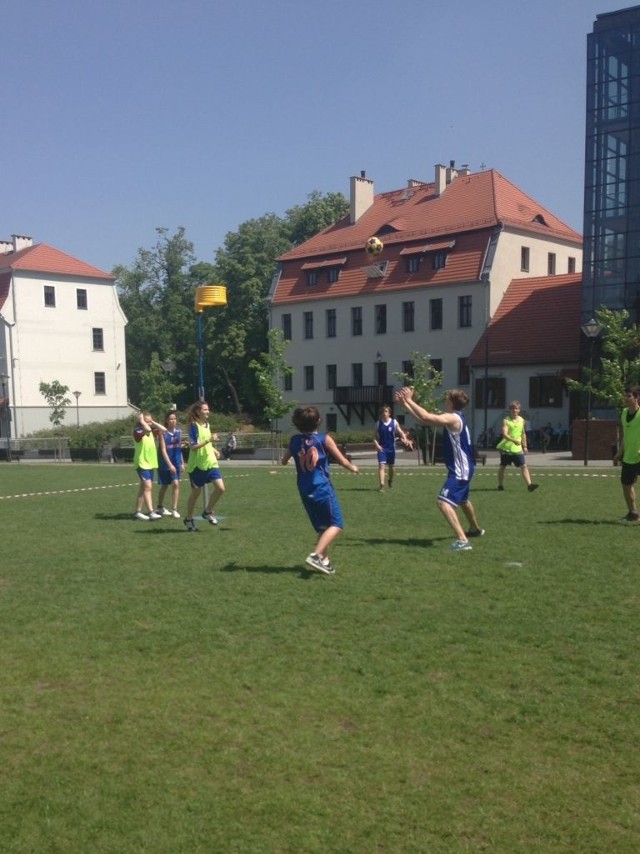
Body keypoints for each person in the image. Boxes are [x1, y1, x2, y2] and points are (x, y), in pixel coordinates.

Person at [395, 386, 483, 551]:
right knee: (463, 500)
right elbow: (425, 420)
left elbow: (425, 416)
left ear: (451, 401)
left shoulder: (453, 418)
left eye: (447, 397)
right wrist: (405, 404)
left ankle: (463, 541)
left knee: (443, 503)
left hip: (460, 469)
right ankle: (474, 529)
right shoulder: (456, 417)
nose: (445, 400)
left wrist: (409, 400)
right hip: (465, 467)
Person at [281, 405, 359, 574]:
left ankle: (325, 560)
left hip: (304, 489)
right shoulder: (324, 439)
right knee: (337, 524)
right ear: (318, 421)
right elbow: (342, 461)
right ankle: (316, 555)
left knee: (323, 527)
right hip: (321, 488)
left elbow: (283, 461)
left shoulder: (294, 440)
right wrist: (352, 468)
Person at [183, 400, 225, 532]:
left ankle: (207, 511)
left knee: (221, 488)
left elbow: (207, 443)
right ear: (198, 411)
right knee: (196, 493)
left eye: (208, 409)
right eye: (205, 410)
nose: (208, 412)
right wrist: (209, 440)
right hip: (197, 465)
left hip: (210, 462)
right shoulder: (194, 427)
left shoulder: (207, 424)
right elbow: (194, 447)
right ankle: (189, 519)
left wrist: (213, 449)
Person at [496, 401, 539, 492]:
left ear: (519, 410)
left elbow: (523, 434)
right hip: (507, 448)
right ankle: (500, 485)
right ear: (510, 410)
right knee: (503, 467)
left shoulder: (522, 420)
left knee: (524, 466)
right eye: (513, 409)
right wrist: (513, 440)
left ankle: (529, 485)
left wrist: (525, 446)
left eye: (516, 409)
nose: (514, 410)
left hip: (517, 449)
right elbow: (504, 434)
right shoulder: (506, 420)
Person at [613, 386, 640, 522]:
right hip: (629, 457)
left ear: (636, 398)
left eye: (629, 396)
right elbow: (626, 436)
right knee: (626, 485)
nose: (626, 399)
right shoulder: (624, 413)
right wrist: (619, 453)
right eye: (625, 396)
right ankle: (633, 513)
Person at [132, 410, 165, 520]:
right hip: (142, 463)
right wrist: (142, 420)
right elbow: (146, 429)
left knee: (143, 488)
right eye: (147, 421)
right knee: (148, 487)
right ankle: (151, 512)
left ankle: (137, 512)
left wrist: (153, 422)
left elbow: (163, 429)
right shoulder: (138, 432)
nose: (149, 423)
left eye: (150, 421)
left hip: (150, 463)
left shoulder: (151, 431)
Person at [373, 405, 413, 491]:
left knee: (391, 467)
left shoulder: (394, 422)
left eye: (386, 411)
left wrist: (405, 439)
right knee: (381, 466)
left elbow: (401, 432)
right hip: (382, 449)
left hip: (391, 449)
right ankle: (382, 485)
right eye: (383, 411)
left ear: (389, 413)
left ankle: (390, 480)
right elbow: (374, 437)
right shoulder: (378, 424)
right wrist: (377, 445)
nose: (384, 413)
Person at [156, 410, 183, 518]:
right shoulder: (163, 433)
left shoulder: (179, 432)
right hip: (165, 463)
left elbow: (179, 447)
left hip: (176, 462)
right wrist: (169, 465)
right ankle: (160, 506)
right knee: (165, 485)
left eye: (174, 419)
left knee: (176, 484)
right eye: (171, 419)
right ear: (167, 421)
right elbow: (163, 450)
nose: (173, 421)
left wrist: (181, 462)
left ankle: (174, 509)